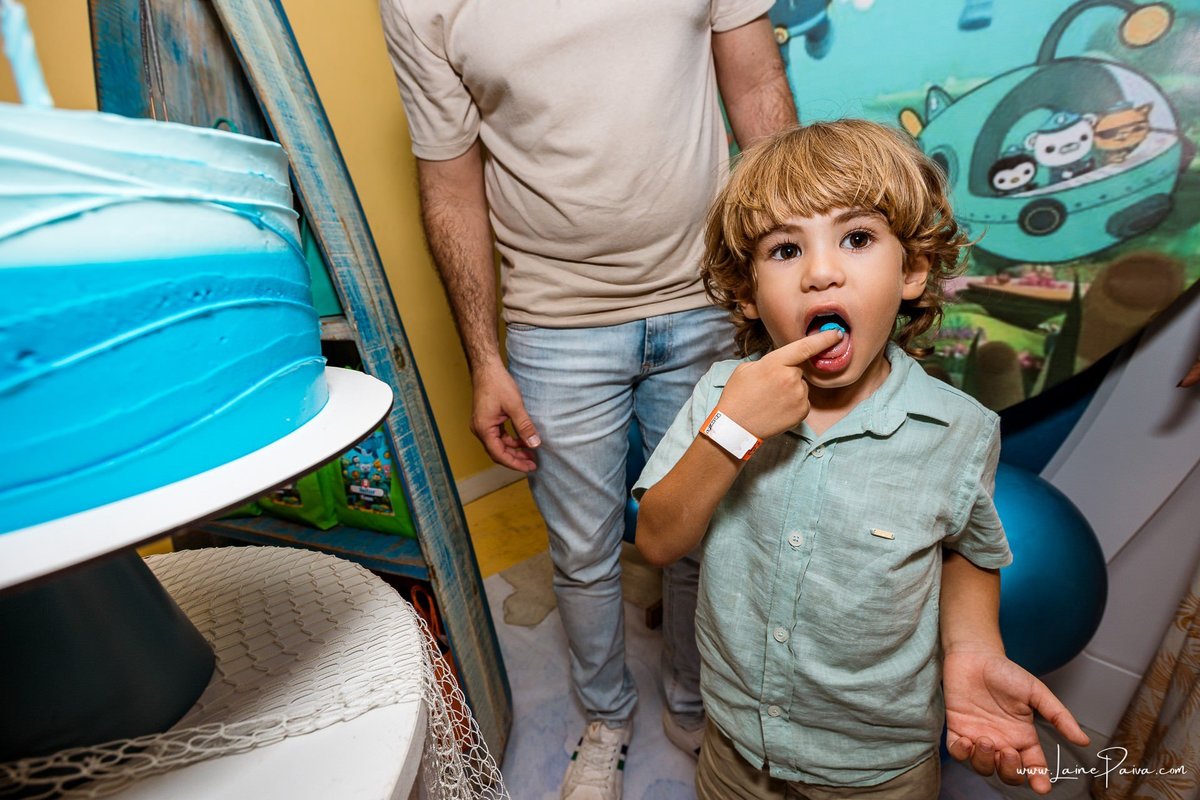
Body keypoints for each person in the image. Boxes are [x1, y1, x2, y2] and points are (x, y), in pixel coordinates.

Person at [378, 2, 797, 797]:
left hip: (709, 295)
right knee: (582, 551)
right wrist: (484, 357)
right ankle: (605, 717)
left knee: (701, 528)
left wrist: (779, 278)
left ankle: (693, 698)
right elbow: (449, 187)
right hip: (553, 322)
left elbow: (758, 93)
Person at [634, 120, 1090, 798]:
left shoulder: (958, 429)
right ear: (748, 292)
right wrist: (733, 431)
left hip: (878, 772)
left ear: (911, 272)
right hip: (733, 749)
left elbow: (967, 549)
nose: (821, 272)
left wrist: (973, 650)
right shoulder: (720, 398)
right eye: (785, 248)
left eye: (856, 238)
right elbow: (658, 540)